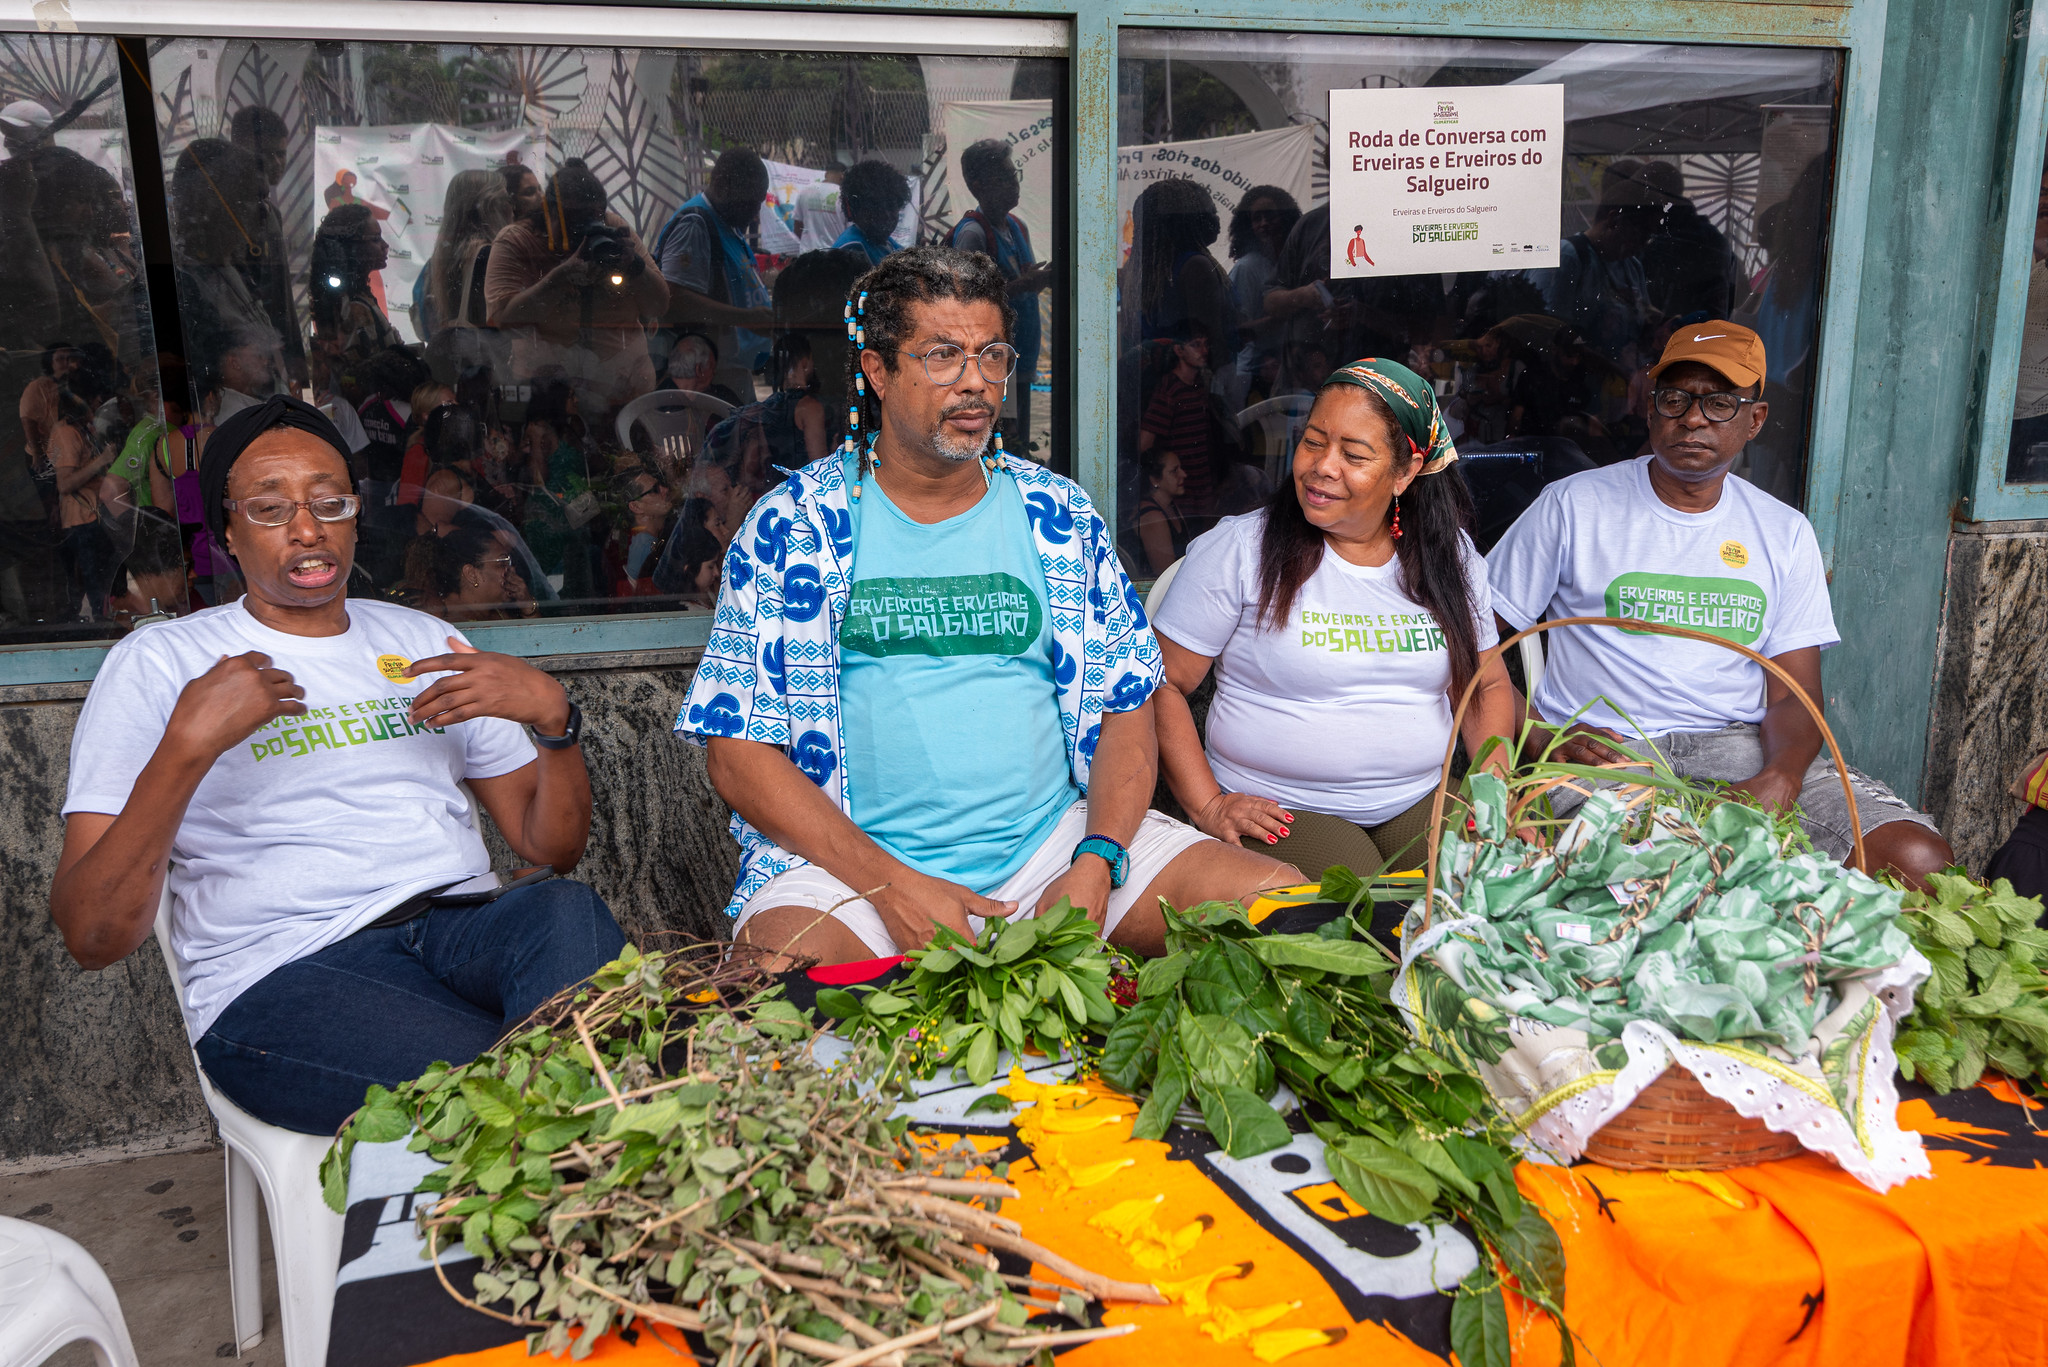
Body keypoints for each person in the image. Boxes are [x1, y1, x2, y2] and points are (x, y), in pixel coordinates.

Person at [676, 244, 1299, 966]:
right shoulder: (796, 525)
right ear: (877, 371)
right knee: (771, 982)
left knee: (1287, 912)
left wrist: (1095, 861)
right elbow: (736, 752)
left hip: (1054, 850)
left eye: (993, 355)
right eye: (943, 355)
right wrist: (891, 887)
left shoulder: (1056, 514)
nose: (975, 383)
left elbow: (1125, 702)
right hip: (853, 868)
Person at [48, 394, 621, 1136]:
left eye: (329, 501)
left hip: (458, 928)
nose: (308, 528)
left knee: (565, 911)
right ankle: (580, 1134)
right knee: (553, 1069)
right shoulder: (161, 662)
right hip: (290, 971)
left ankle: (560, 1126)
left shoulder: (423, 639)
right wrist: (187, 747)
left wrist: (554, 721)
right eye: (269, 507)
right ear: (226, 527)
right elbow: (92, 934)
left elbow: (551, 848)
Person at [1485, 321, 1956, 889]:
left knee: (1916, 859)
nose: (1692, 418)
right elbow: (1475, 644)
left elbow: (1793, 692)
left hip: (1740, 749)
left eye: (1719, 403)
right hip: (1608, 754)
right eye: (1675, 399)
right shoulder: (1573, 506)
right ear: (1652, 409)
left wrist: (1781, 775)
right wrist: (1539, 736)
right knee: (1667, 874)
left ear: (1753, 420)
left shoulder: (1783, 531)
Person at [1151, 359, 1517, 880]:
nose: (1323, 466)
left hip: (1414, 796)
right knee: (1355, 896)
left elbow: (1485, 687)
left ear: (1406, 472)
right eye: (1314, 442)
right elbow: (1156, 684)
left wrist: (1492, 787)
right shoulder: (1240, 549)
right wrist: (1207, 804)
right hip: (1283, 806)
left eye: (1354, 454)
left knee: (1505, 879)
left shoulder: (1447, 557)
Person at [483, 159, 667, 420]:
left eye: (592, 220)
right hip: (548, 394)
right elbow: (502, 319)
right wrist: (560, 276)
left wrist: (634, 267)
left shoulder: (613, 231)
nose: (583, 233)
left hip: (622, 386)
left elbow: (659, 305)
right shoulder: (517, 240)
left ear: (601, 213)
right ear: (548, 212)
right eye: (573, 222)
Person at [947, 139, 1052, 460]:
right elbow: (964, 300)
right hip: (992, 362)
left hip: (1022, 352)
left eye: (1014, 175)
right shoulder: (973, 234)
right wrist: (1024, 285)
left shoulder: (1016, 226)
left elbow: (1016, 279)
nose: (1014, 184)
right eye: (1004, 178)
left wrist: (1032, 279)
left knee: (1017, 436)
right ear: (978, 186)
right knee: (1000, 440)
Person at [656, 149, 773, 399]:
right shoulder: (696, 223)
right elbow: (673, 299)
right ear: (722, 185)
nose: (755, 213)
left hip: (728, 369)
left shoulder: (726, 223)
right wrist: (748, 318)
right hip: (708, 375)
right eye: (749, 202)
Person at [1138, 319, 1230, 520]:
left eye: (1206, 344)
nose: (1203, 350)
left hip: (1202, 488)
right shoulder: (1169, 390)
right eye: (1195, 344)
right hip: (1180, 493)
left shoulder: (1199, 385)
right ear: (1179, 351)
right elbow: (1145, 444)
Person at [422, 169, 512, 366]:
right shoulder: (487, 255)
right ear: (488, 207)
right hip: (487, 365)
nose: (511, 207)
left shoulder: (445, 257)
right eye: (505, 200)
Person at [1222, 186, 1299, 408]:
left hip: (1288, 369)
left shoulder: (1290, 262)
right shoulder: (1247, 267)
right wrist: (1288, 312)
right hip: (1253, 375)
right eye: (1257, 218)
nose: (1264, 223)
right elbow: (1239, 329)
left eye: (1270, 215)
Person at [309, 204, 403, 368]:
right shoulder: (354, 308)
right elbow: (369, 369)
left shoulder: (348, 297)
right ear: (352, 248)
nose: (385, 245)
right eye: (375, 239)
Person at [832, 159, 911, 270]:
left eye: (893, 207)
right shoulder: (851, 250)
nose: (888, 216)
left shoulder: (886, 242)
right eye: (879, 209)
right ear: (856, 209)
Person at [1129, 447, 1188, 577]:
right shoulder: (1153, 517)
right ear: (1155, 480)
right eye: (1174, 471)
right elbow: (1165, 574)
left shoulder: (1171, 507)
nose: (1184, 474)